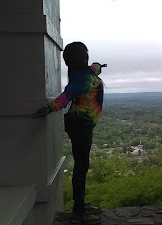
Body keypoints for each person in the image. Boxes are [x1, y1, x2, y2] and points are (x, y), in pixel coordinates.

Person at [32, 42, 106, 224]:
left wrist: (99, 66)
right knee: (81, 167)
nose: (87, 56)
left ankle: (80, 205)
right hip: (80, 125)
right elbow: (66, 96)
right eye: (85, 53)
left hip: (82, 125)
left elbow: (94, 69)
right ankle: (78, 212)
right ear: (81, 58)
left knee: (82, 166)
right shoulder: (80, 79)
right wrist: (49, 108)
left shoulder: (86, 71)